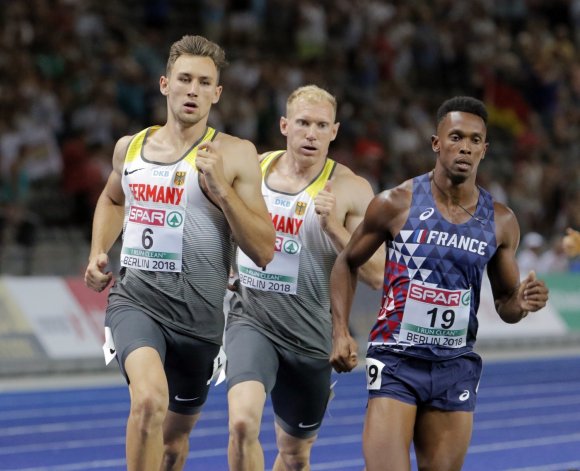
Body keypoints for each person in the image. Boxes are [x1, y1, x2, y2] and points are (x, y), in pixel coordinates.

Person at [83, 35, 275, 471]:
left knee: (173, 445)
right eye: (184, 79)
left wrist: (222, 191)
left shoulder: (236, 155)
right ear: (164, 84)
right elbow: (113, 200)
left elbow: (264, 249)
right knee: (149, 401)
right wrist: (99, 251)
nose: (193, 90)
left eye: (204, 82)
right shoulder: (129, 148)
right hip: (137, 302)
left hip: (200, 322)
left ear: (217, 93)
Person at [330, 96, 549, 471]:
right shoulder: (395, 203)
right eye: (456, 137)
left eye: (475, 140)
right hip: (396, 360)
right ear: (437, 143)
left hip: (455, 366)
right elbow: (346, 262)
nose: (465, 146)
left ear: (484, 149)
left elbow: (506, 306)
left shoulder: (501, 221)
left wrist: (523, 302)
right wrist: (340, 332)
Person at [225, 85, 385, 471]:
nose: (311, 133)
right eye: (302, 123)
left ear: (334, 131)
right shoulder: (254, 169)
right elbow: (222, 221)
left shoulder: (351, 188)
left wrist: (333, 228)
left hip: (312, 334)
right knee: (243, 422)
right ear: (284, 125)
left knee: (295, 455)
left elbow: (378, 274)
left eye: (321, 125)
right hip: (252, 320)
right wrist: (228, 266)